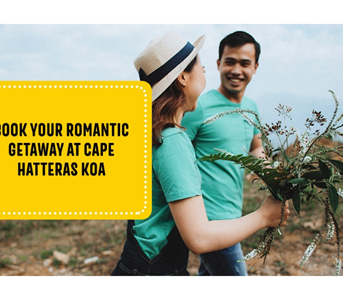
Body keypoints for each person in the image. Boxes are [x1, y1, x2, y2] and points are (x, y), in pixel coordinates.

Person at [111, 31, 289, 276]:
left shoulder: (157, 134)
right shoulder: (172, 140)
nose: (204, 72)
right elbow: (199, 237)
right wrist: (264, 216)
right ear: (183, 77)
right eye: (201, 67)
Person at [181, 31, 265, 276]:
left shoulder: (251, 107)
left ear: (255, 67)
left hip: (233, 217)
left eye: (244, 63)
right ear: (218, 64)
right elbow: (177, 155)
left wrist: (271, 171)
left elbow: (256, 147)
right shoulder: (199, 107)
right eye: (230, 62)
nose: (236, 70)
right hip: (207, 221)